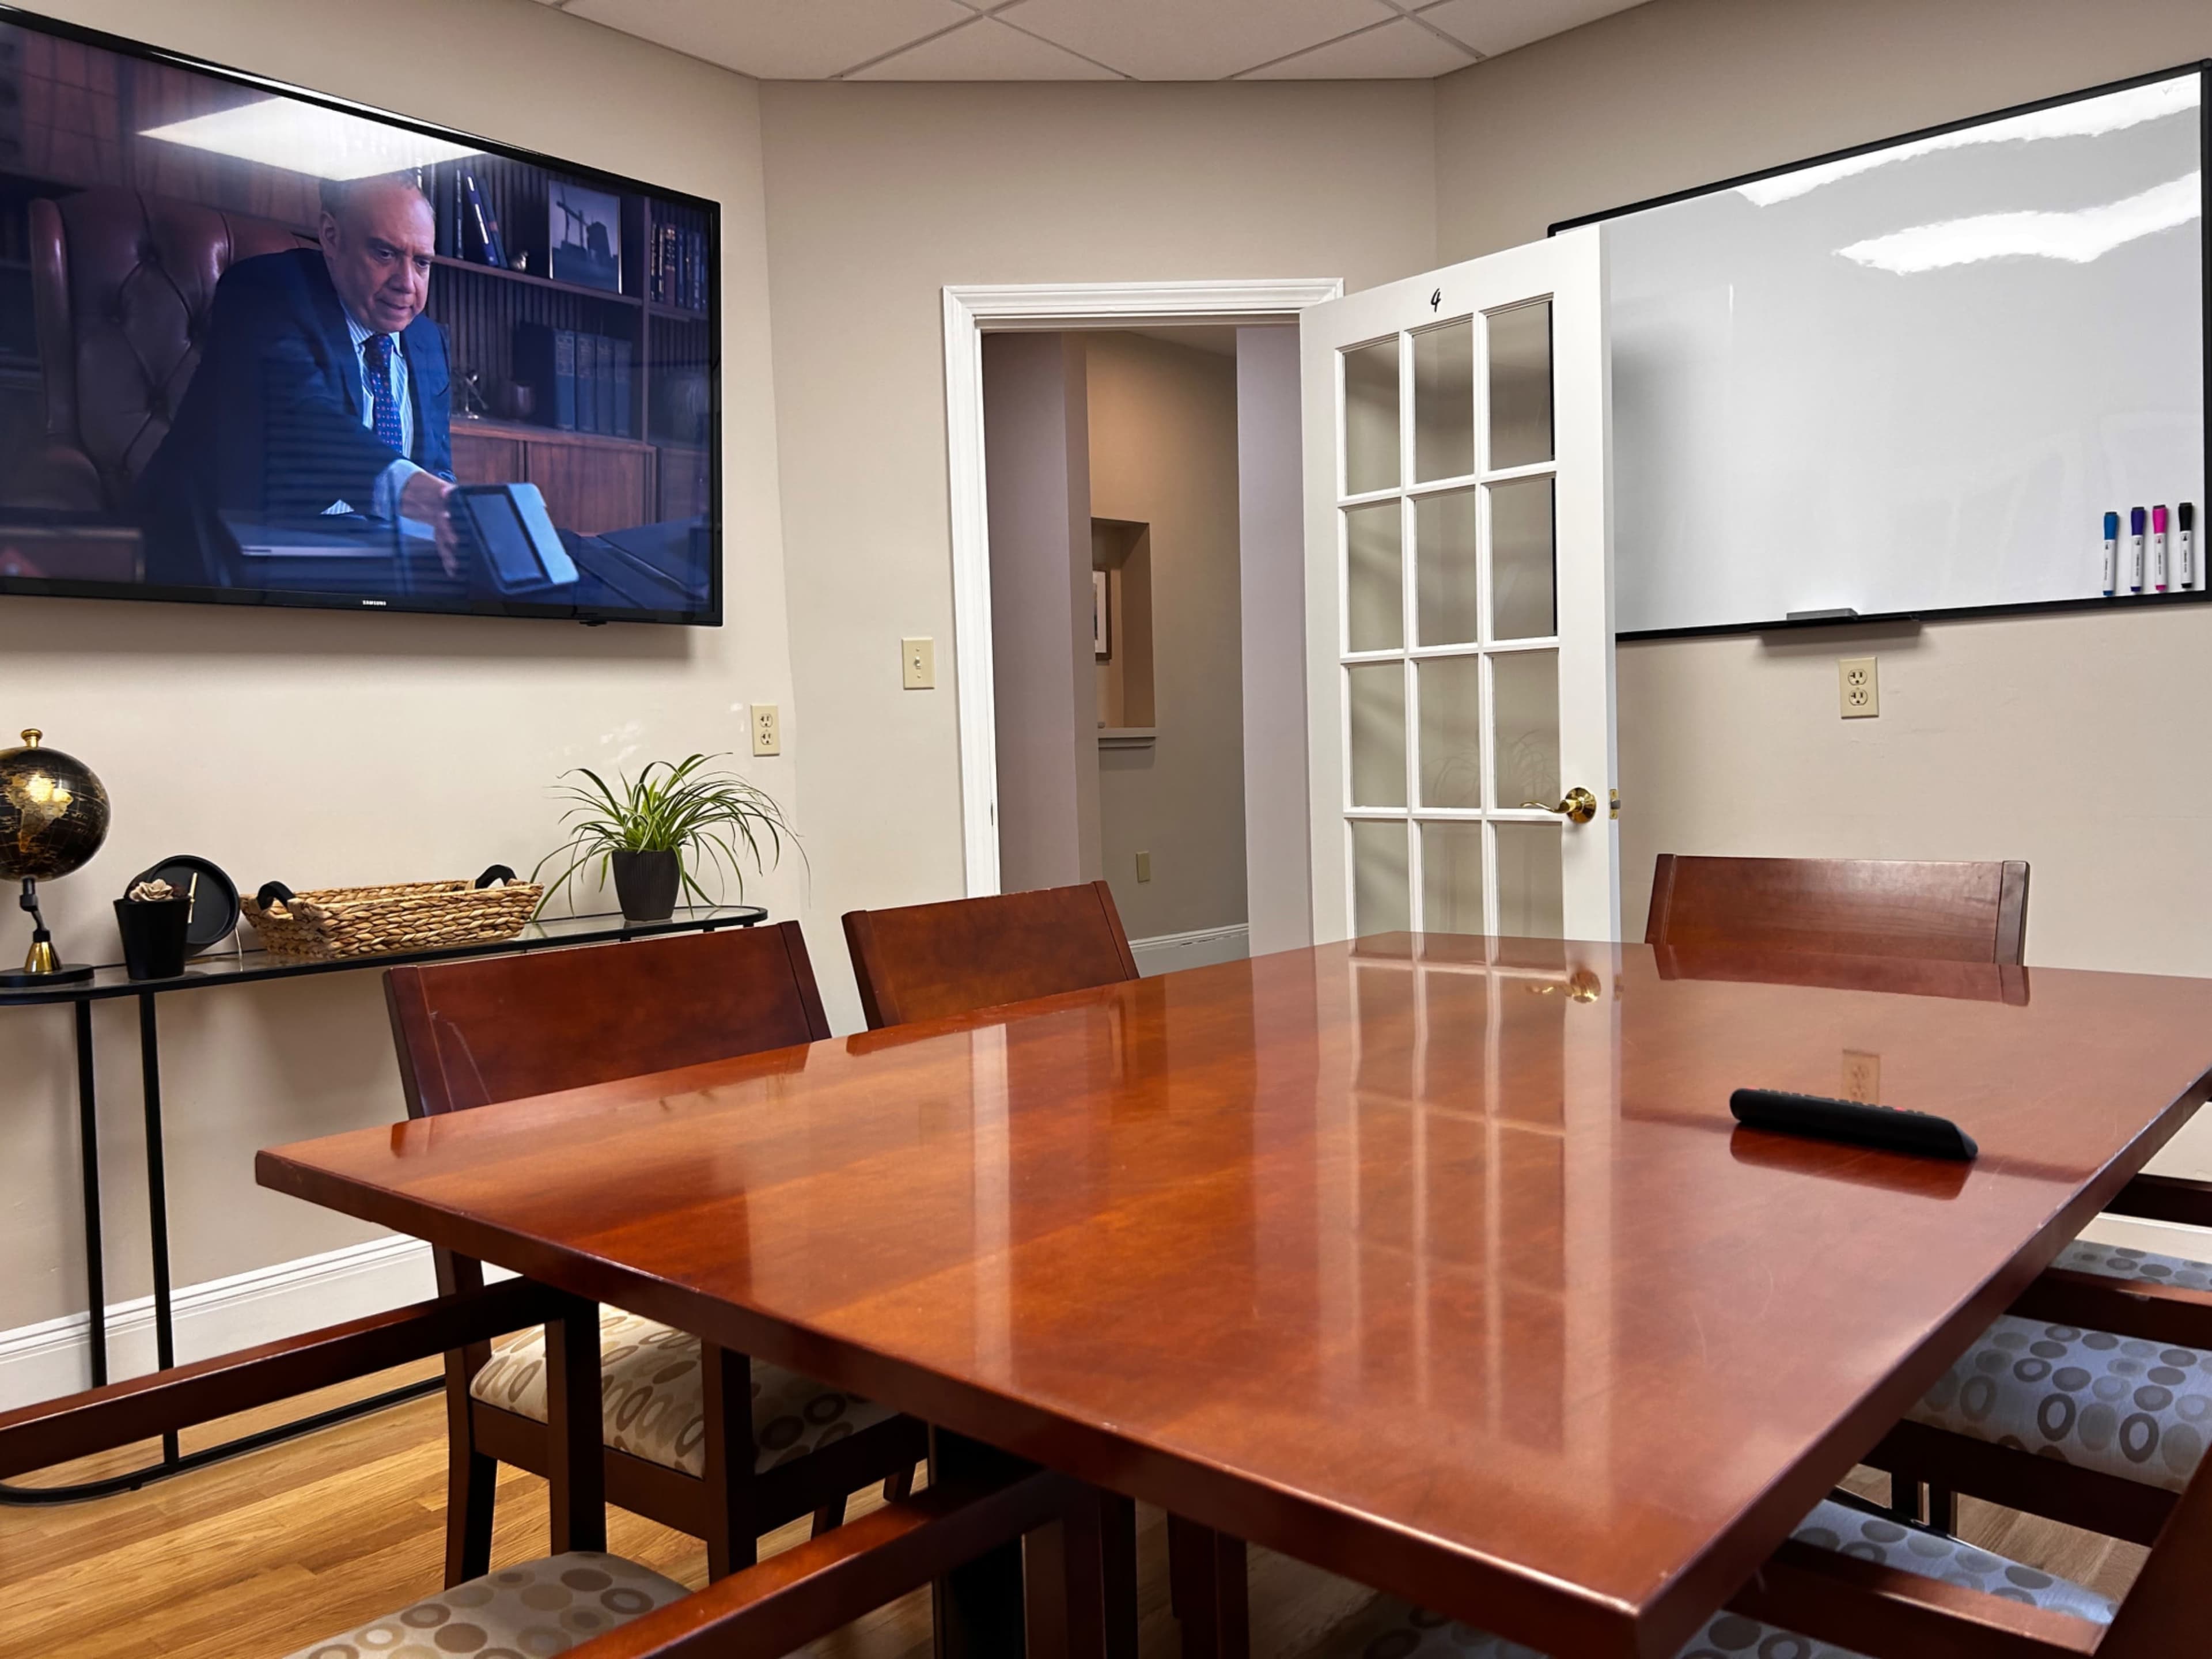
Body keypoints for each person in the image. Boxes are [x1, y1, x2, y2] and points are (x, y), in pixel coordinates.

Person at [135, 174, 460, 586]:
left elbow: (437, 469)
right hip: (249, 547)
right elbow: (306, 419)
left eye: (422, 262)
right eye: (384, 253)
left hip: (384, 552)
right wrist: (427, 498)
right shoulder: (264, 292)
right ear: (331, 237)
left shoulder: (428, 339)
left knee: (557, 562)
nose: (407, 282)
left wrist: (467, 518)